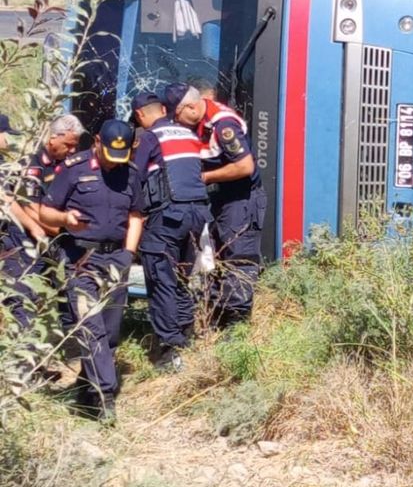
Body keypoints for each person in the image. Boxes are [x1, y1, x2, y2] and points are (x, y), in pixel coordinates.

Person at [40, 120, 143, 424]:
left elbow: (136, 214)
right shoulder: (73, 168)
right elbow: (45, 211)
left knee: (109, 334)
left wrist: (129, 253)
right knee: (91, 327)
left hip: (116, 261)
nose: (115, 162)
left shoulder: (131, 172)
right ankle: (104, 397)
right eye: (110, 154)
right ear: (97, 142)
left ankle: (85, 392)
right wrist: (65, 219)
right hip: (80, 259)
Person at [164, 83, 265, 327]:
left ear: (190, 107)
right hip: (221, 199)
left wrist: (205, 178)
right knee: (219, 257)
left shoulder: (223, 125)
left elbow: (245, 166)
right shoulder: (199, 122)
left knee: (238, 257)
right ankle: (219, 319)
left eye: (178, 116)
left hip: (241, 199)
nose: (179, 123)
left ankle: (236, 327)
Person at [131, 92, 211, 371]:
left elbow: (134, 177)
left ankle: (169, 351)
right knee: (180, 278)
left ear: (140, 115)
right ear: (164, 109)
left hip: (167, 218)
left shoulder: (150, 138)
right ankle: (187, 335)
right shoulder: (188, 134)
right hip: (197, 216)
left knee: (160, 279)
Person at [1, 114, 84, 332]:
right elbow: (20, 203)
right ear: (52, 138)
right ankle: (25, 358)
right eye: (68, 145)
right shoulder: (30, 162)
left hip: (58, 237)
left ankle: (71, 346)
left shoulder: (69, 164)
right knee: (23, 297)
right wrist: (49, 227)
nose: (72, 150)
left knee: (70, 292)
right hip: (27, 240)